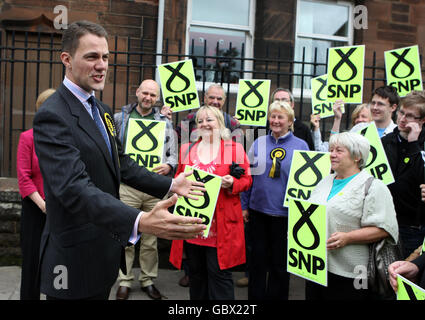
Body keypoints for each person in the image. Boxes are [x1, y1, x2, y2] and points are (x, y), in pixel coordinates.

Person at [32, 20, 206, 300]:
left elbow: (121, 162)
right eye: (91, 57)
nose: (101, 65)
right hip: (71, 261)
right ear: (66, 59)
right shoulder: (53, 115)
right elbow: (73, 189)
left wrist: (171, 183)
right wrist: (139, 220)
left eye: (105, 57)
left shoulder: (101, 109)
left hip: (102, 253)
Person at [169, 105, 252, 300]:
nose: (204, 124)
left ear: (220, 123)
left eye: (209, 120)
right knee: (196, 275)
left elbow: (247, 180)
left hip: (220, 227)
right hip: (192, 225)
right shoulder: (187, 149)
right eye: (200, 121)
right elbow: (179, 177)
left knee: (219, 275)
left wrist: (233, 183)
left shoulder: (235, 148)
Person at [306, 132, 399, 300]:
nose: (332, 154)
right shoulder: (325, 181)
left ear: (357, 156)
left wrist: (348, 237)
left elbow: (385, 229)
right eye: (331, 149)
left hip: (351, 273)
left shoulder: (374, 187)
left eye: (339, 150)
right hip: (315, 267)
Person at [113, 79, 177, 300]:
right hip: (128, 186)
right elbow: (112, 150)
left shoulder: (165, 122)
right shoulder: (120, 119)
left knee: (151, 238)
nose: (148, 97)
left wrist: (169, 166)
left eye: (153, 95)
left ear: (157, 98)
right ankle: (125, 280)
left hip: (153, 186)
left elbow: (173, 154)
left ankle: (148, 280)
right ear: (137, 92)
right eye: (145, 93)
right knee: (125, 236)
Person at [241, 100, 309, 300]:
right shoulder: (258, 142)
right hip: (258, 212)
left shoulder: (301, 145)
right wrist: (244, 206)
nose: (276, 120)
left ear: (290, 121)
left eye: (281, 117)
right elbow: (248, 177)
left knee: (280, 266)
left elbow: (306, 182)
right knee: (257, 262)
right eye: (273, 116)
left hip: (285, 215)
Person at [16, 88, 55, 300]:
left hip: (60, 209)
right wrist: (42, 204)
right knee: (32, 264)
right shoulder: (27, 138)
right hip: (35, 208)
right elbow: (24, 177)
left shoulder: (65, 139)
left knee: (59, 265)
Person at [381, 90, 425, 259]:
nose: (402, 119)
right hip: (386, 221)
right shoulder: (386, 142)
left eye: (410, 116)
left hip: (413, 226)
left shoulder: (420, 144)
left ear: (422, 120)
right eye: (401, 112)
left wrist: (413, 144)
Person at [174, 83, 241, 143]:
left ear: (224, 100)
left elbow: (240, 149)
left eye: (219, 99)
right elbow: (174, 138)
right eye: (211, 98)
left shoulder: (231, 122)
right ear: (205, 98)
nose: (215, 102)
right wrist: (166, 119)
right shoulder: (191, 118)